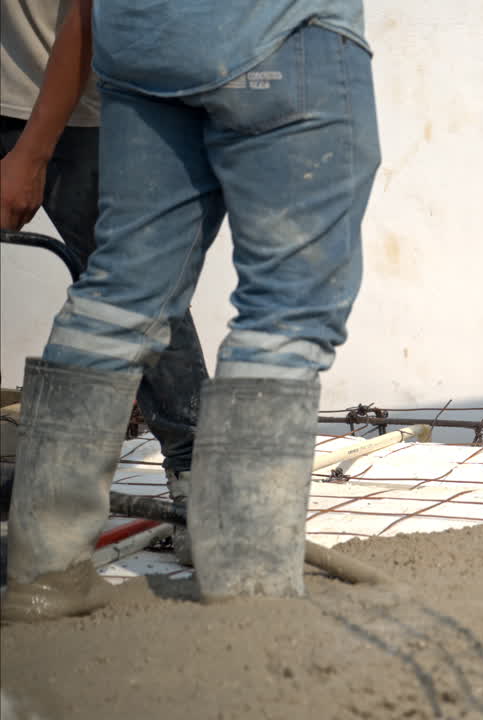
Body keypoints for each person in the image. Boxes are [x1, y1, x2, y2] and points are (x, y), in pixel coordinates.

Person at [1, 0, 380, 622]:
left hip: (137, 41)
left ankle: (43, 577)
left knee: (117, 297)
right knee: (285, 312)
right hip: (272, 35)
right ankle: (249, 588)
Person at [0, 0, 207, 565]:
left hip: (75, 106)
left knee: (133, 284)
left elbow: (88, 18)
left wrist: (31, 153)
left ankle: (201, 476)